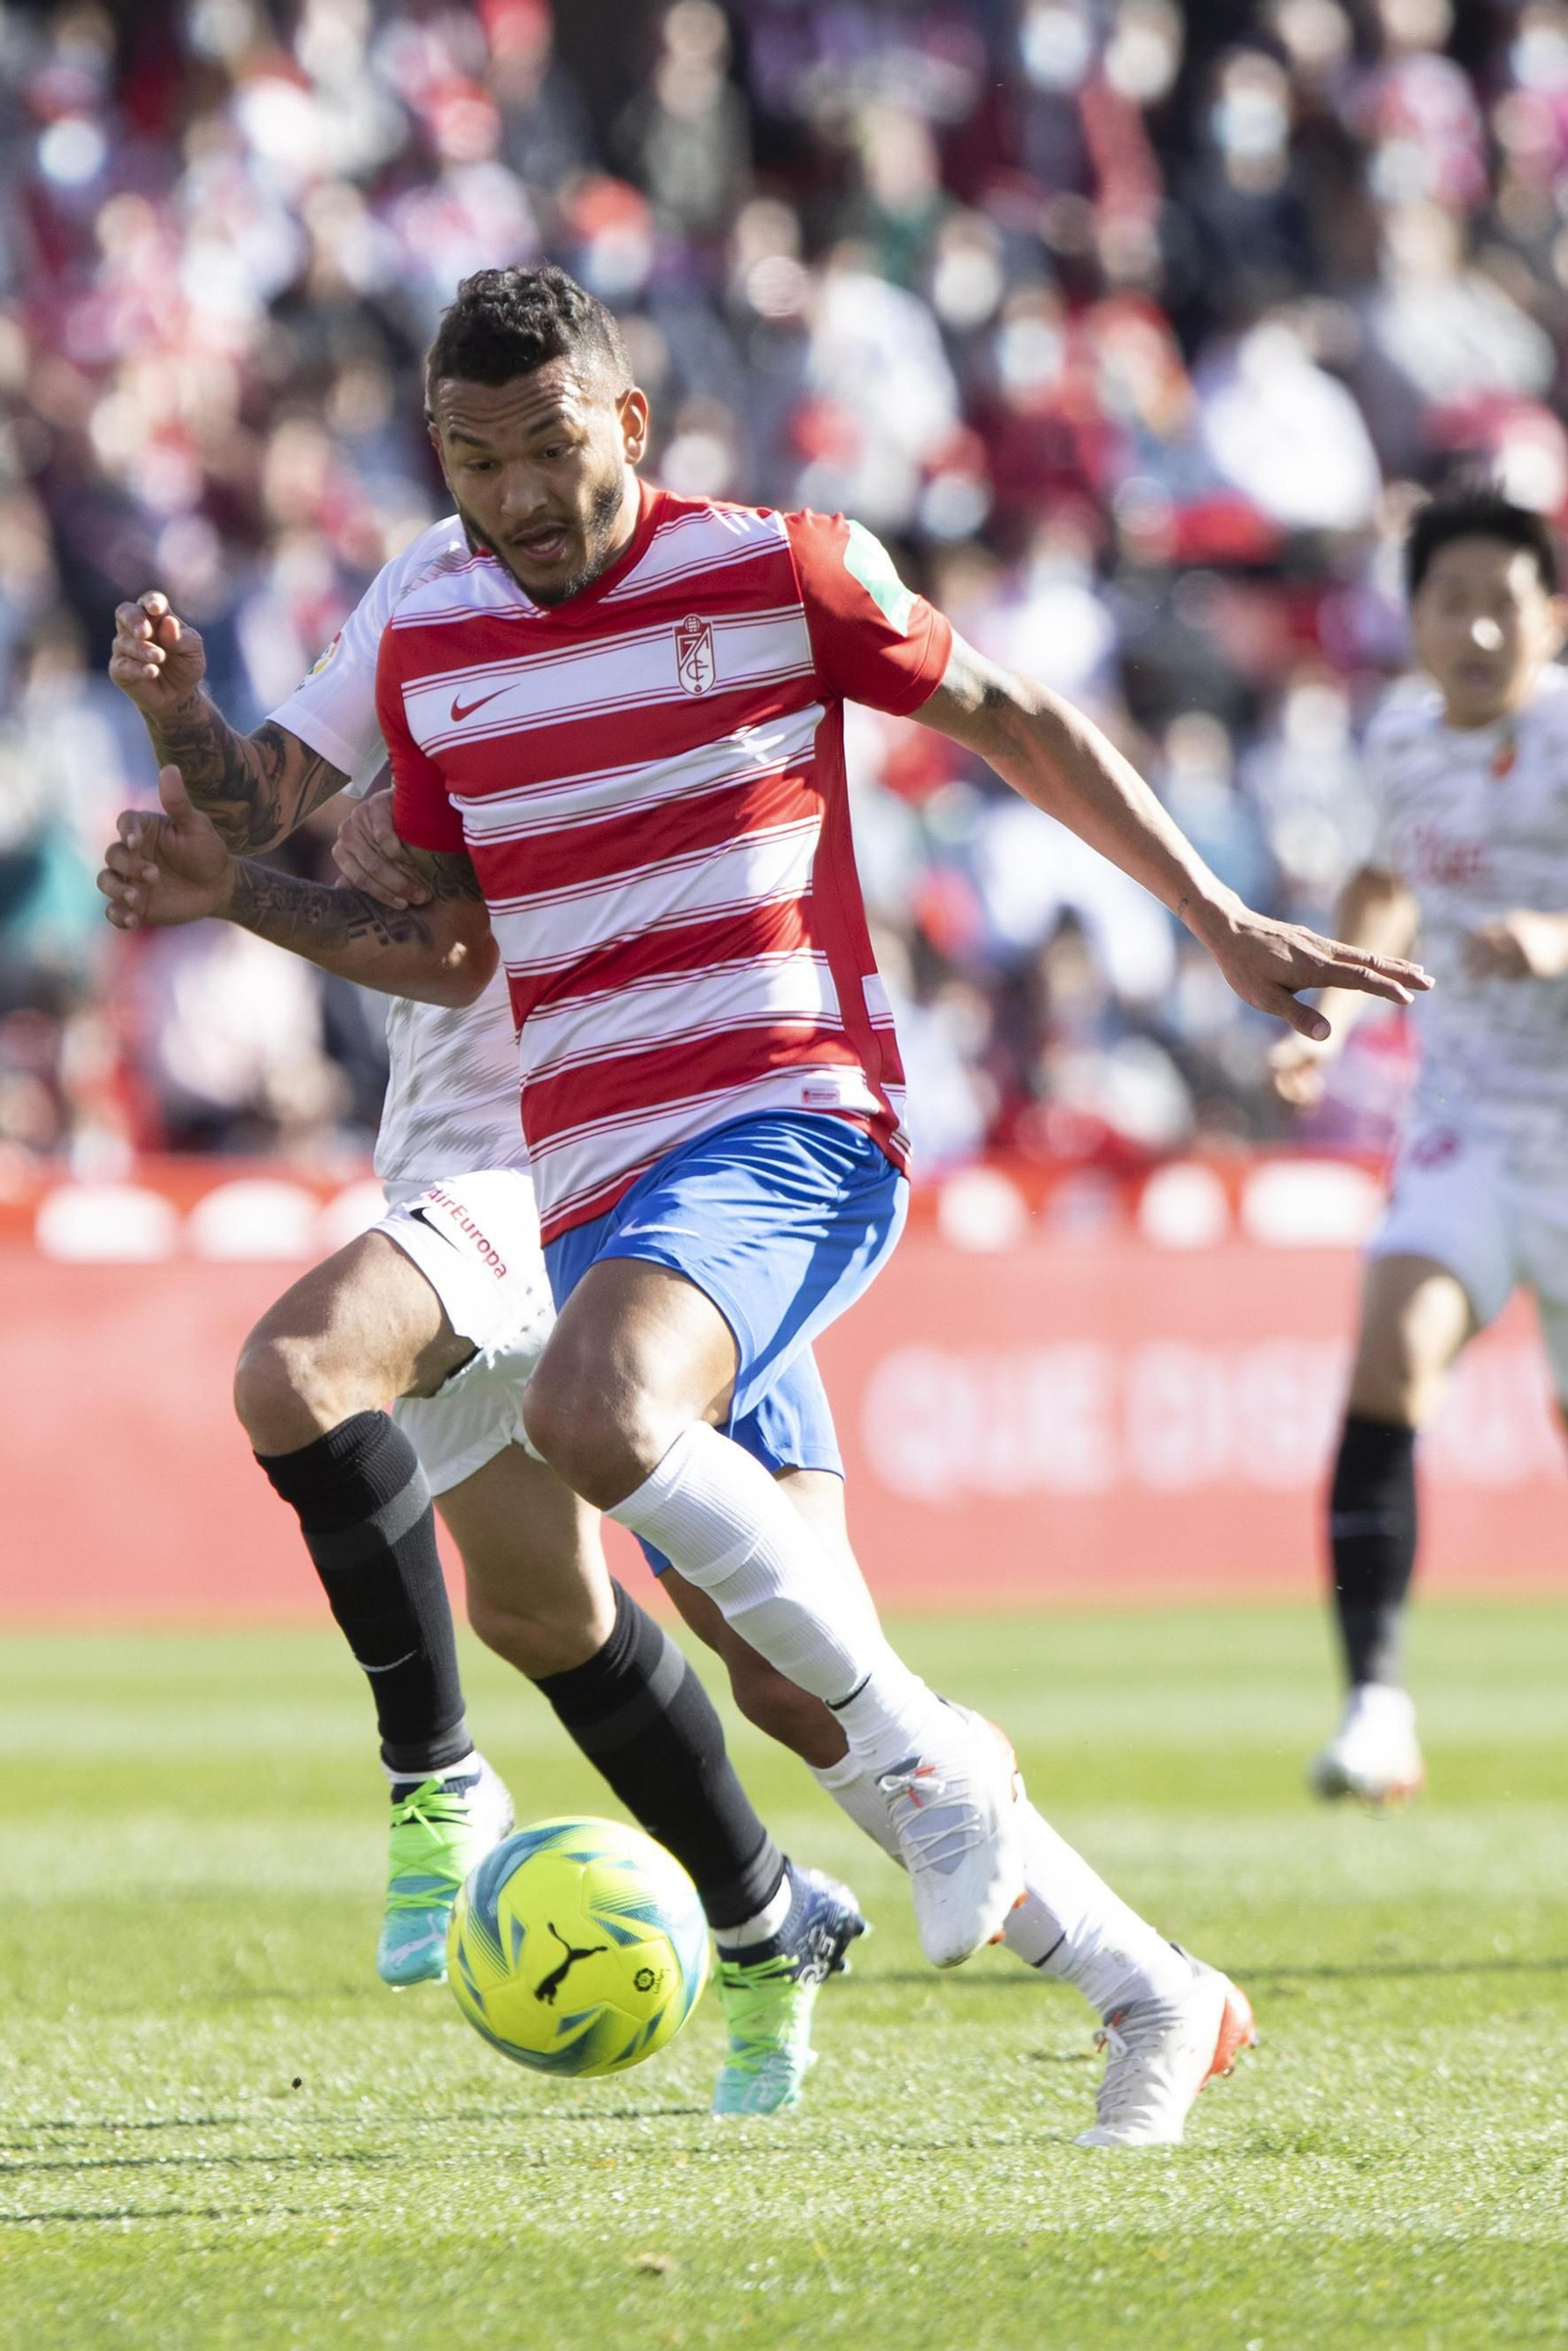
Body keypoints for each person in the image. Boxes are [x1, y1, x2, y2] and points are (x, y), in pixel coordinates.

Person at [101, 262, 1427, 2137]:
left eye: (552, 449)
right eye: (476, 462)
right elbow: (441, 932)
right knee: (794, 1674)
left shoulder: (776, 567)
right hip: (600, 1192)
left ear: (628, 423)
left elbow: (1012, 716)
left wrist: (1213, 919)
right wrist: (193, 759)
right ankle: (1155, 1990)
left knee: (585, 1414)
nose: (521, 496)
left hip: (790, 1120)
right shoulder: (433, 640)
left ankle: (894, 1781)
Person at [1272, 483, 1568, 1805]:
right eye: (1453, 603)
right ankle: (1375, 1711)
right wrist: (1331, 1016)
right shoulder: (1399, 738)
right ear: (1414, 619)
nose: (1480, 631)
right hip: (1466, 1122)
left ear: (1550, 617)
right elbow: (1388, 884)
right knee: (1393, 1349)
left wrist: (1558, 939)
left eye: (1505, 604)